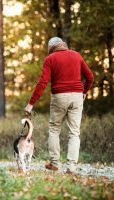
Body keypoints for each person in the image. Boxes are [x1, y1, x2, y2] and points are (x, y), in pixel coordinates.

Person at [24, 37, 93, 174]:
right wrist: (84, 92)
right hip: (77, 96)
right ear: (63, 45)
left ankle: (54, 163)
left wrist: (31, 104)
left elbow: (42, 83)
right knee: (74, 132)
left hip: (59, 96)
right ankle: (72, 167)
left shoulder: (50, 59)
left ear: (51, 48)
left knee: (54, 129)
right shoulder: (77, 55)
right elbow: (90, 77)